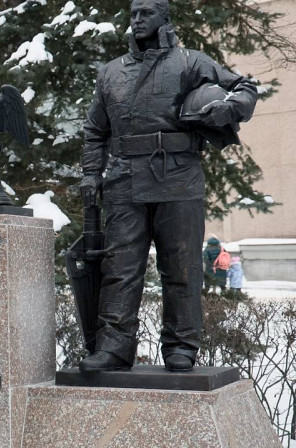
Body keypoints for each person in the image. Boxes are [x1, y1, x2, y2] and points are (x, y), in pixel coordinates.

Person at [77, 0, 257, 373]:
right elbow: (95, 131)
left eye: (146, 13)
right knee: (120, 267)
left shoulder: (190, 62)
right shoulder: (110, 73)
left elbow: (244, 87)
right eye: (133, 14)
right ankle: (114, 346)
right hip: (124, 181)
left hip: (179, 177)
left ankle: (181, 345)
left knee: (181, 267)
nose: (138, 20)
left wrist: (227, 109)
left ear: (164, 18)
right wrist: (90, 174)